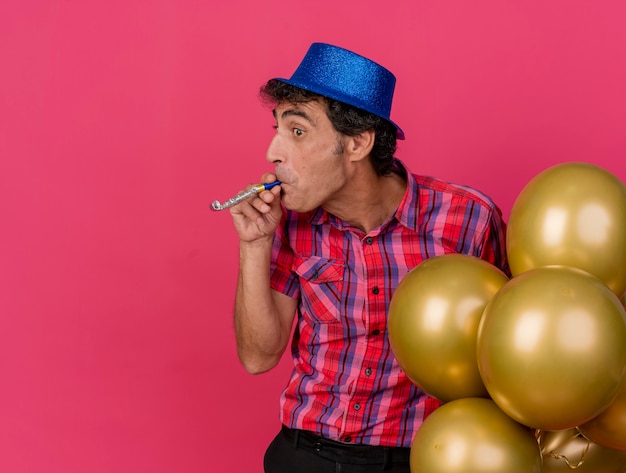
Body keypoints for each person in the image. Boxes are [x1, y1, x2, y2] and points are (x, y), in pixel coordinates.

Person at [228, 42, 509, 473]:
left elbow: (507, 355)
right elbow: (258, 357)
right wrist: (254, 245)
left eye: (298, 132)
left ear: (357, 143)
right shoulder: (290, 224)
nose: (273, 153)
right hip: (305, 455)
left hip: (419, 458)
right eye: (277, 129)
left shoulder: (469, 218)